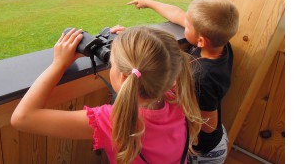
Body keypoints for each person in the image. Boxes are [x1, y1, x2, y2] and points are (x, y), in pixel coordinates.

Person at [11, 26, 202, 164]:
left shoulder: (112, 121)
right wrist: (140, 46)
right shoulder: (177, 95)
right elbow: (155, 65)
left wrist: (58, 64)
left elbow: (22, 118)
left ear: (123, 76)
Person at [127, 0, 239, 163]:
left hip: (202, 151)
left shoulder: (202, 78)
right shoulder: (220, 43)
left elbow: (207, 126)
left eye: (187, 25)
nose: (183, 23)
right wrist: (148, 3)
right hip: (214, 140)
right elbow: (177, 13)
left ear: (201, 40)